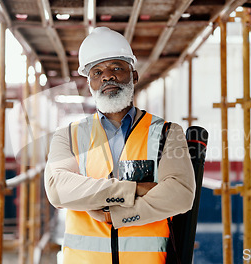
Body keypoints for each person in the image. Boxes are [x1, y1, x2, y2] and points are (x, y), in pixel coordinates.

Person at [44, 27, 195, 264]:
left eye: (116, 67)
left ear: (133, 75)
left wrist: (116, 215)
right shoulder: (68, 135)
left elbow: (180, 195)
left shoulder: (167, 133)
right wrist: (133, 189)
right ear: (90, 83)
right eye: (97, 72)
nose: (107, 76)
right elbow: (57, 189)